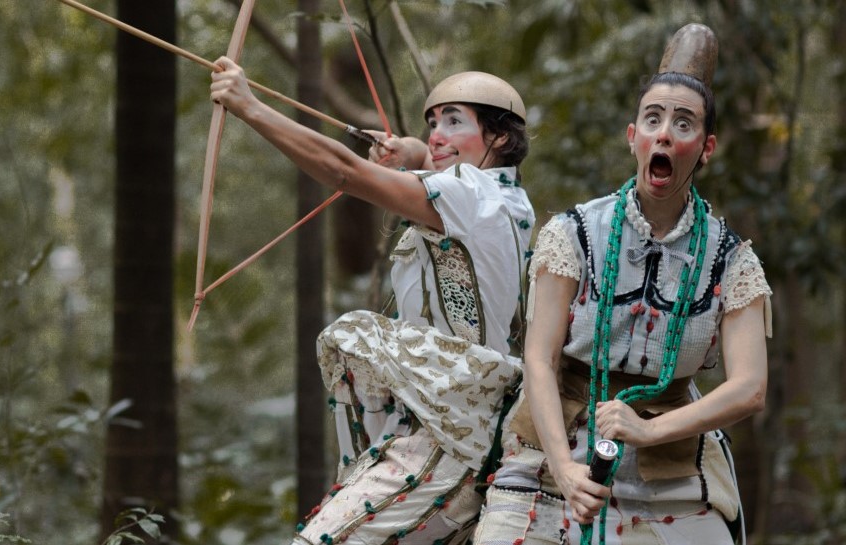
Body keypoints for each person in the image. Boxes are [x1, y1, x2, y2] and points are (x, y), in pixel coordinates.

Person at [472, 24, 771, 545]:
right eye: (652, 119)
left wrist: (649, 429)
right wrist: (565, 472)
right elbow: (538, 361)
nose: (664, 133)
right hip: (554, 440)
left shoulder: (732, 260)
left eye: (683, 123)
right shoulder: (575, 234)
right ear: (633, 136)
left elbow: (750, 388)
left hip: (671, 455)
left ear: (705, 148)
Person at [210, 64, 535, 544]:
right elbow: (449, 171)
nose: (437, 135)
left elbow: (344, 171)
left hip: (443, 446)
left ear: (500, 138)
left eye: (454, 121)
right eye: (433, 124)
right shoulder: (507, 198)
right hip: (458, 433)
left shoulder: (468, 195)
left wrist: (249, 107)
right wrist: (417, 152)